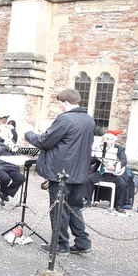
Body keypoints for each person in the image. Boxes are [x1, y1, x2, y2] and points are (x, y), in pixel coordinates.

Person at [25, 88, 95, 255]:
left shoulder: (65, 120)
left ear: (65, 102)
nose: (60, 107)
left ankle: (60, 245)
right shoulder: (89, 120)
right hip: (80, 173)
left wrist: (28, 134)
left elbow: (45, 141)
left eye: (60, 104)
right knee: (75, 208)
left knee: (59, 210)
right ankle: (83, 242)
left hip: (61, 173)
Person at [86, 130, 132, 213]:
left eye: (111, 139)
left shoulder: (119, 148)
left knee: (122, 184)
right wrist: (93, 155)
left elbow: (124, 160)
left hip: (113, 174)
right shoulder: (99, 148)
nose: (109, 141)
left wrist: (114, 167)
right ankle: (87, 201)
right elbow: (92, 161)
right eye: (107, 139)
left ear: (114, 140)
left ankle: (118, 205)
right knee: (88, 179)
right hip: (101, 172)